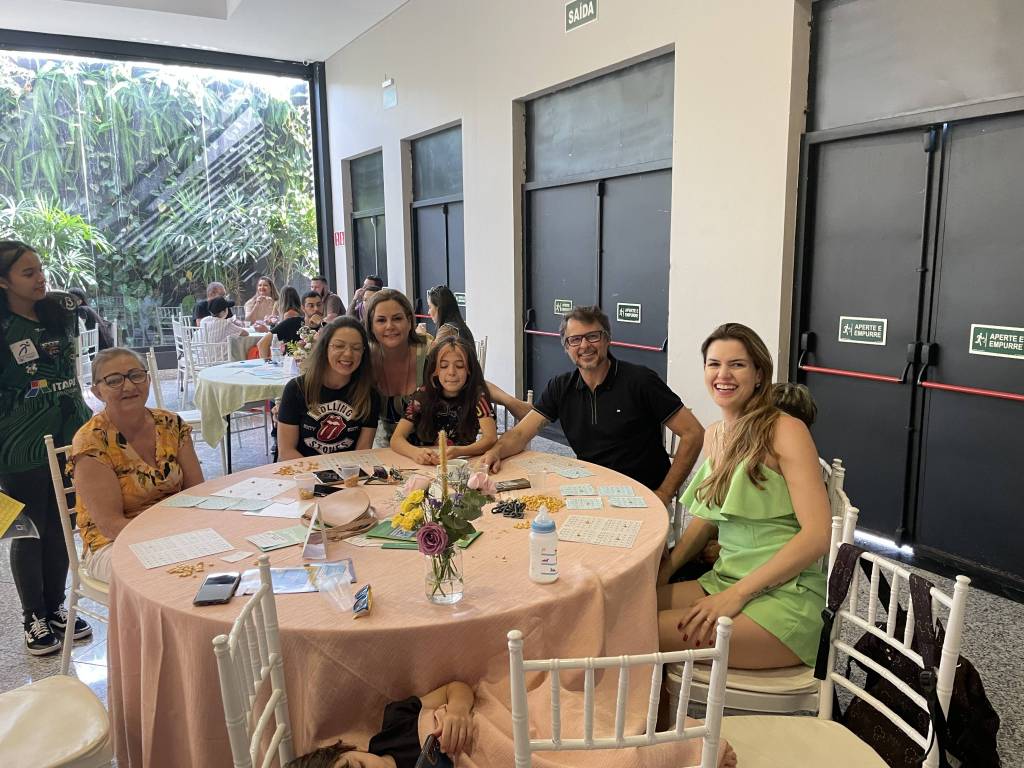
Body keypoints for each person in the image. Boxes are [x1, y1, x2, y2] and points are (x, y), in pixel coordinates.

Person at [656, 323, 830, 670]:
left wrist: (736, 595)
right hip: (725, 579)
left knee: (632, 630)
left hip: (784, 597)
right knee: (622, 609)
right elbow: (707, 519)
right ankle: (662, 703)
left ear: (759, 374)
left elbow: (818, 534)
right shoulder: (715, 434)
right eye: (714, 364)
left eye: (737, 364)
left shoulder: (785, 429)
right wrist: (667, 569)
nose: (723, 374)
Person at [481, 306, 704, 507]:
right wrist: (496, 451)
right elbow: (521, 434)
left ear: (607, 339)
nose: (585, 345)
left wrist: (665, 493)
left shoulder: (640, 381)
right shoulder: (561, 387)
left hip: (642, 495)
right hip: (591, 492)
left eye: (593, 336)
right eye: (575, 340)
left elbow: (693, 433)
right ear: (566, 347)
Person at [0, 240, 95, 655]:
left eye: (40, 269)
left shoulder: (61, 310)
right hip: (18, 445)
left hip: (71, 434)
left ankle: (56, 606)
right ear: (3, 282)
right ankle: (32, 617)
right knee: (29, 528)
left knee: (63, 524)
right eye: (27, 273)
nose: (40, 278)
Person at [70, 348, 204, 583]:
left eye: (136, 375)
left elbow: (197, 493)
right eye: (114, 380)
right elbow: (110, 525)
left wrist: (190, 531)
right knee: (173, 576)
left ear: (148, 379)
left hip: (176, 530)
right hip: (113, 543)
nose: (129, 386)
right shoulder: (92, 441)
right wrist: (172, 537)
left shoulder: (170, 423)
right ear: (97, 392)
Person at [285, 681, 477, 768]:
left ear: (353, 749)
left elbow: (455, 688)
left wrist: (458, 710)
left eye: (361, 767)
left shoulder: (396, 721)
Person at [277, 317, 379, 458]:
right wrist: (318, 471)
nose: (348, 354)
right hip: (302, 469)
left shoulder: (368, 394)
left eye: (356, 348)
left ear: (363, 352)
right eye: (339, 346)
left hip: (348, 469)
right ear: (324, 348)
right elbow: (286, 451)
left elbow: (362, 451)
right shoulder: (296, 389)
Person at [390, 336, 496, 465]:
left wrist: (460, 451)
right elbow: (396, 439)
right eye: (444, 366)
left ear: (470, 370)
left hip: (461, 463)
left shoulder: (477, 396)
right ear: (435, 371)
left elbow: (490, 438)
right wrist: (414, 452)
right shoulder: (422, 396)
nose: (451, 372)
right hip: (423, 464)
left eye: (460, 366)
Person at [365, 288, 430, 448]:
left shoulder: (429, 353)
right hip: (383, 449)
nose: (390, 326)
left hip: (432, 447)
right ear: (371, 326)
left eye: (397, 318)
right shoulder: (363, 360)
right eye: (381, 320)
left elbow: (472, 384)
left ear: (409, 321)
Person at [257, 289, 323, 358]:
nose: (316, 309)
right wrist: (267, 363)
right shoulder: (291, 323)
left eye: (319, 305)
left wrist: (321, 324)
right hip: (291, 364)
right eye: (311, 306)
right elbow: (262, 344)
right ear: (303, 308)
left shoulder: (327, 327)